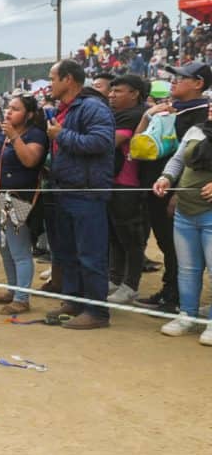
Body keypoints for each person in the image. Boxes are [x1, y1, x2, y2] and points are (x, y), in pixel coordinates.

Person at [134, 61, 212, 313]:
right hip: (159, 186)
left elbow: (196, 164)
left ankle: (178, 299)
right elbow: (142, 146)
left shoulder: (202, 114)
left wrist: (178, 194)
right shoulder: (170, 110)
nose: (173, 80)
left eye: (181, 77)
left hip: (190, 197)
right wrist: (150, 115)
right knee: (169, 247)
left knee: (187, 255)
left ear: (199, 83)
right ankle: (172, 293)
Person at [45, 59, 116, 329]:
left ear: (68, 80)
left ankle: (97, 312)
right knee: (68, 253)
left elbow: (100, 142)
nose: (50, 83)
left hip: (87, 193)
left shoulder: (92, 107)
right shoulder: (66, 109)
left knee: (91, 255)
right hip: (65, 190)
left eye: (52, 78)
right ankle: (74, 301)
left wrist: (62, 136)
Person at [0, 93, 48, 315]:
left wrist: (14, 137)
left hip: (15, 198)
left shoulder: (35, 134)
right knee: (4, 248)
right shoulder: (1, 134)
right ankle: (12, 289)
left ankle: (22, 298)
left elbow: (30, 160)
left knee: (19, 249)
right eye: (9, 107)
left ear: (28, 114)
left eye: (16, 109)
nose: (9, 111)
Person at [153, 102, 212, 346]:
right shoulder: (196, 131)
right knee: (188, 269)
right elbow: (178, 160)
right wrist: (165, 177)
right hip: (185, 212)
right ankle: (186, 315)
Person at [106, 75, 148, 304]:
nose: (112, 95)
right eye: (111, 91)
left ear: (134, 93)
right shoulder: (117, 115)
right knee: (115, 234)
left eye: (118, 91)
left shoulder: (136, 115)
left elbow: (107, 143)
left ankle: (131, 285)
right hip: (114, 182)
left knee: (131, 237)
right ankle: (115, 278)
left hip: (128, 184)